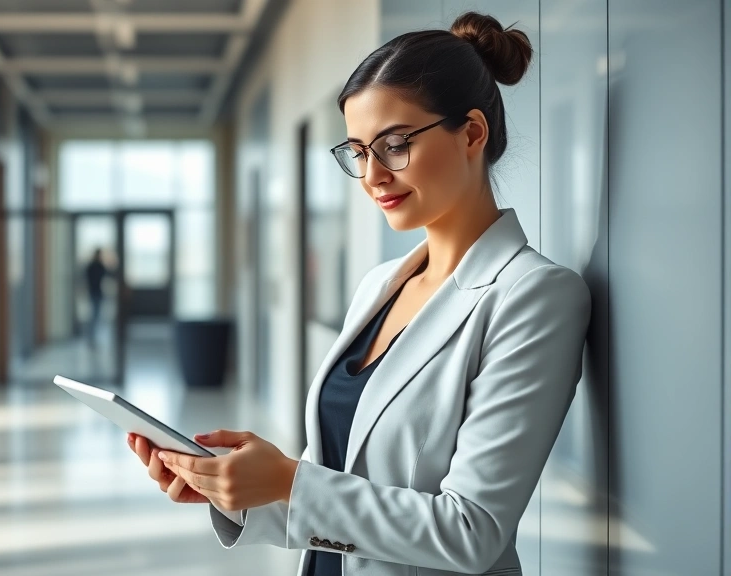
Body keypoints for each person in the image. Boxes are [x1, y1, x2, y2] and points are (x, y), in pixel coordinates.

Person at [128, 12, 590, 576]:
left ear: (472, 132)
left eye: (395, 145)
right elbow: (342, 492)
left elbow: (472, 532)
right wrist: (237, 493)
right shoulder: (380, 285)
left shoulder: (534, 296)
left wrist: (287, 479)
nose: (372, 175)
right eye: (358, 151)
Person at [84, 247, 111, 348]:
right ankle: (91, 338)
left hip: (96, 292)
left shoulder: (96, 266)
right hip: (94, 292)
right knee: (94, 316)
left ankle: (92, 338)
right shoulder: (94, 266)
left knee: (95, 316)